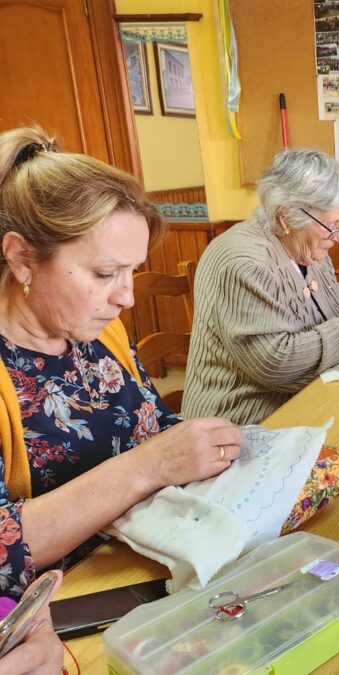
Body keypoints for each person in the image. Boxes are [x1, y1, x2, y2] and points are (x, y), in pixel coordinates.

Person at [0, 126, 242, 598]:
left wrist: (208, 448)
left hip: (142, 565)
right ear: (23, 258)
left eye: (132, 271)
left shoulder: (99, 332)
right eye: (105, 273)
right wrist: (146, 467)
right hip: (61, 607)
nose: (127, 297)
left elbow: (152, 425)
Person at [183, 148, 339, 425]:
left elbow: (319, 309)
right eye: (334, 225)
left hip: (305, 399)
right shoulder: (244, 261)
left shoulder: (306, 243)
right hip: (242, 421)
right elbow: (275, 363)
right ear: (286, 217)